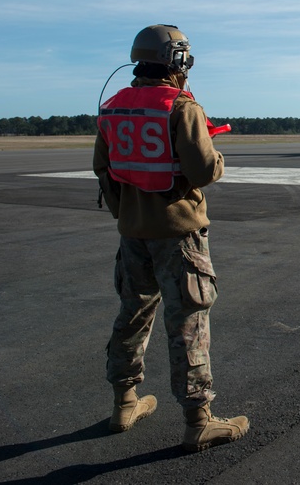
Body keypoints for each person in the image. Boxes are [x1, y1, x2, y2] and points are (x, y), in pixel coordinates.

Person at [93, 24, 249, 452]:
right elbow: (202, 171)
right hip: (178, 235)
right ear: (176, 61)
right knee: (189, 322)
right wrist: (216, 157)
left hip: (132, 233)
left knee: (133, 313)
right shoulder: (180, 107)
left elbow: (103, 169)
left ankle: (125, 401)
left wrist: (127, 212)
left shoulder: (112, 109)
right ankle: (198, 419)